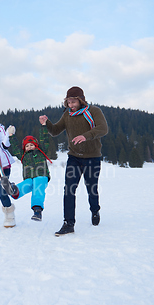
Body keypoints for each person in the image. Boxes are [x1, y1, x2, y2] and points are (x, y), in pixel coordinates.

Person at [39, 86, 108, 236]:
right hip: (74, 158)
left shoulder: (94, 111)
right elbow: (55, 131)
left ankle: (95, 210)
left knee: (92, 188)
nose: (71, 105)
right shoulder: (67, 115)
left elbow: (103, 129)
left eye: (73, 101)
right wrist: (47, 123)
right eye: (68, 102)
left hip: (92, 157)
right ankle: (68, 223)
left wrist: (86, 136)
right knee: (69, 190)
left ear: (81, 100)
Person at [2, 125, 52, 221]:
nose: (29, 147)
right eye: (27, 146)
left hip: (42, 176)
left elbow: (44, 140)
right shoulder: (23, 156)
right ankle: (14, 191)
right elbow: (16, 148)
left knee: (38, 186)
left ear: (36, 145)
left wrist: (43, 126)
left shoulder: (41, 152)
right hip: (29, 178)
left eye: (31, 145)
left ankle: (37, 210)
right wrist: (11, 135)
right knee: (26, 184)